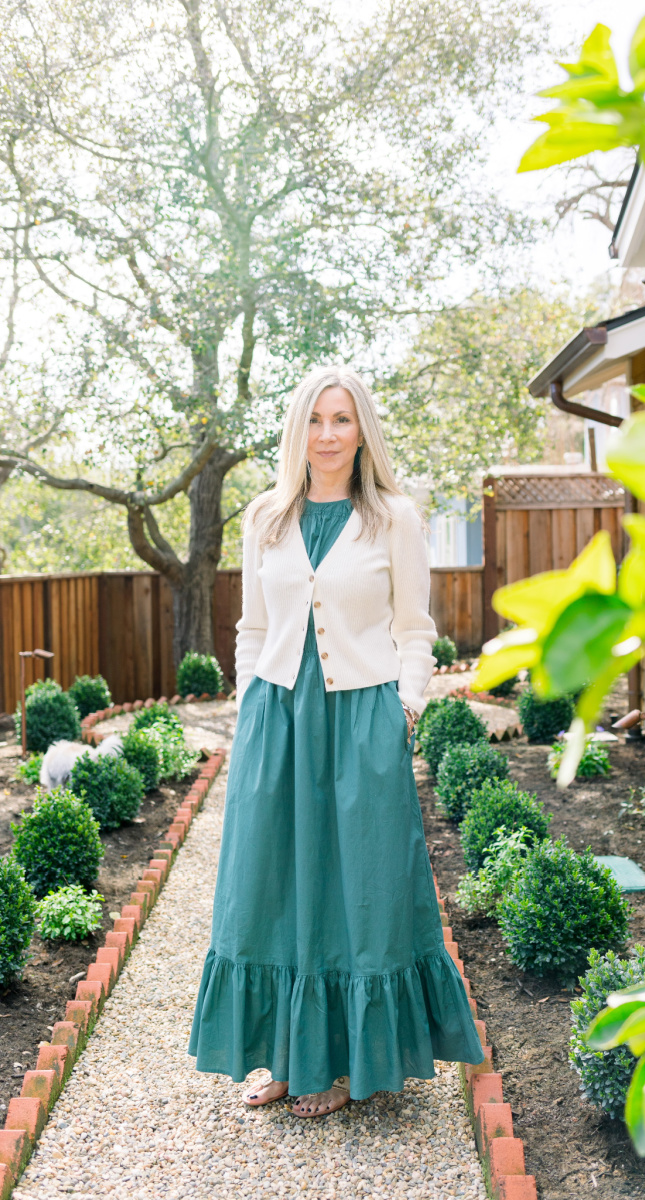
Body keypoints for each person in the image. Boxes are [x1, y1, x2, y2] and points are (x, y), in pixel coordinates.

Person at [188, 365, 484, 1117]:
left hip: (360, 722)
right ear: (298, 430)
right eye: (315, 420)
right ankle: (288, 1059)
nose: (327, 434)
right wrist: (249, 703)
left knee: (363, 888)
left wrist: (404, 709)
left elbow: (414, 630)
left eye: (342, 419)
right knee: (271, 886)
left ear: (362, 432)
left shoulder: (394, 518)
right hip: (277, 720)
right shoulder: (266, 518)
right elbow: (252, 627)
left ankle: (349, 1065)